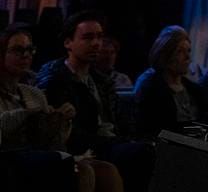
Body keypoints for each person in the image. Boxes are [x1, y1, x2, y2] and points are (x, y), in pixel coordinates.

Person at [36, 13, 153, 191]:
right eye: (88, 37)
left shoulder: (101, 80)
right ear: (68, 43)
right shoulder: (56, 80)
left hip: (110, 142)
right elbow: (71, 134)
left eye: (99, 37)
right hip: (87, 147)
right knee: (142, 153)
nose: (96, 43)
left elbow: (120, 122)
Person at [1, 23, 124, 192]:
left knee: (106, 169)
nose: (26, 55)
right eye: (18, 50)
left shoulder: (33, 93)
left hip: (38, 154)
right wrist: (29, 114)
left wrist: (61, 121)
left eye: (30, 50)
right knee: (80, 170)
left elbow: (52, 141)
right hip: (8, 156)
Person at [133, 27, 208, 138]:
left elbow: (207, 119)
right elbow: (154, 130)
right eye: (180, 51)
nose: (188, 57)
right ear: (165, 56)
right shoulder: (151, 88)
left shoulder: (194, 89)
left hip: (198, 144)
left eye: (188, 51)